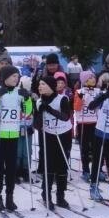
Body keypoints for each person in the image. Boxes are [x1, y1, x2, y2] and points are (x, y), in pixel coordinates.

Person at [0, 65, 33, 212]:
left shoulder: (19, 92)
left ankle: (10, 197)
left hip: (13, 135)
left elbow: (27, 112)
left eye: (17, 76)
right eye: (13, 76)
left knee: (11, 169)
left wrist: (27, 99)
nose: (16, 78)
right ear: (6, 77)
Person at [35, 72, 74, 209]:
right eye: (39, 84)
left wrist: (50, 110)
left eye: (43, 84)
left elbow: (65, 117)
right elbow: (37, 126)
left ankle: (60, 196)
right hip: (49, 135)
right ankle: (46, 195)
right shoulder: (39, 101)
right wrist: (39, 112)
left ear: (51, 86)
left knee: (62, 166)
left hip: (63, 134)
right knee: (49, 166)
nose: (40, 86)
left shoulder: (62, 99)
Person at [73, 70, 100, 181]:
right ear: (84, 81)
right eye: (90, 78)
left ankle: (97, 170)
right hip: (83, 123)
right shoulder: (79, 91)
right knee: (84, 148)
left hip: (95, 122)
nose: (93, 80)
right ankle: (85, 170)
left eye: (94, 77)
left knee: (95, 148)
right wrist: (80, 97)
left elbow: (101, 105)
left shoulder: (98, 91)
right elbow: (77, 108)